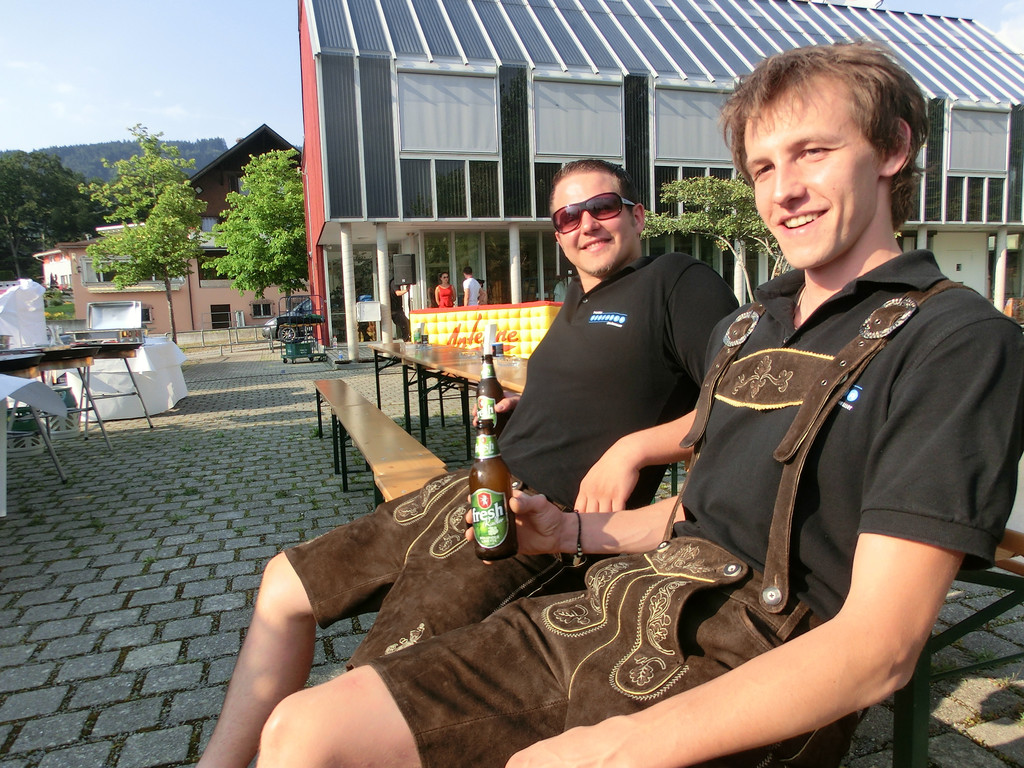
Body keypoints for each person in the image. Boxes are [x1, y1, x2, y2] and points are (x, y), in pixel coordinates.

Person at [252, 42, 1024, 768]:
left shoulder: (952, 339)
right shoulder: (749, 328)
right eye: (763, 166)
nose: (783, 189)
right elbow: (697, 512)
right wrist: (570, 531)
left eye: (813, 152)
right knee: (305, 730)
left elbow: (881, 648)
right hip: (624, 606)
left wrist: (624, 745)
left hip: (750, 657)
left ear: (892, 148)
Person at [197, 158, 738, 767]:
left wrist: (632, 449)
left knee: (361, 698)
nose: (586, 224)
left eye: (603, 207)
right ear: (558, 235)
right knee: (283, 581)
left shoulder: (677, 280)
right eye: (568, 216)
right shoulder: (576, 297)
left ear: (637, 216)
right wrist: (530, 404)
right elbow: (603, 385)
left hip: (536, 518)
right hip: (473, 485)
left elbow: (740, 408)